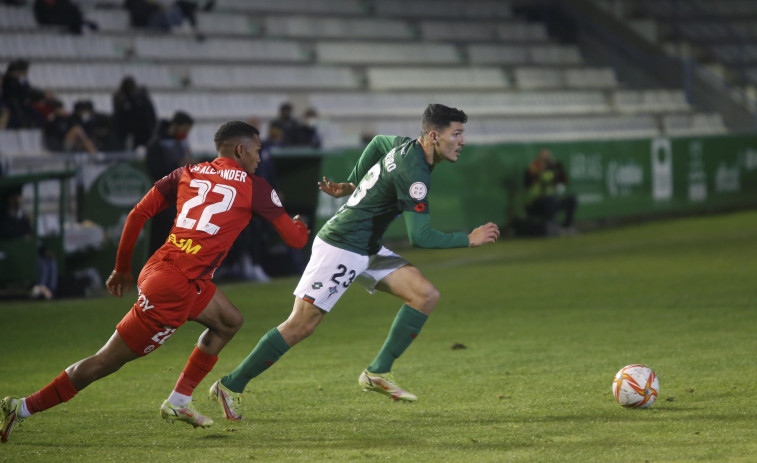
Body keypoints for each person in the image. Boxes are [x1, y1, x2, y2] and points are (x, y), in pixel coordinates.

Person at [0, 121, 310, 443]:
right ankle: (22, 407)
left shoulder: (185, 172)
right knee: (107, 360)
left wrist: (122, 268)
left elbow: (137, 214)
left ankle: (179, 401)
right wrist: (301, 225)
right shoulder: (255, 187)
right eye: (257, 151)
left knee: (229, 322)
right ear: (240, 149)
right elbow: (295, 240)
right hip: (174, 288)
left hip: (168, 269)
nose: (260, 158)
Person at [207, 104, 500, 421]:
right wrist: (467, 238)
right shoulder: (414, 173)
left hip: (368, 247)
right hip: (342, 246)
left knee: (424, 295)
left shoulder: (404, 144)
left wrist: (351, 182)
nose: (462, 141)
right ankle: (230, 385)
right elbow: (421, 236)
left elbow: (376, 143)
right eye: (456, 134)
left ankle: (378, 372)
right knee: (301, 325)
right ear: (434, 136)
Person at [145, 110, 194, 254]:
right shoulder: (157, 143)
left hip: (179, 196)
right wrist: (178, 166)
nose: (185, 134)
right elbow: (156, 170)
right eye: (184, 130)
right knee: (161, 234)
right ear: (175, 126)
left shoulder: (181, 144)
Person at [523, 149, 577, 236]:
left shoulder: (552, 171)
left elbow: (564, 180)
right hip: (536, 203)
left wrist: (559, 167)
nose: (547, 162)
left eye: (548, 159)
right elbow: (532, 181)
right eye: (544, 159)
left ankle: (567, 227)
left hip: (552, 201)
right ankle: (554, 229)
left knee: (571, 199)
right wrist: (541, 169)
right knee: (549, 201)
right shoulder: (533, 169)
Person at [112, 76, 157, 150]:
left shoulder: (141, 99)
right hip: (131, 129)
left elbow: (149, 116)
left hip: (141, 130)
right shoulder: (122, 99)